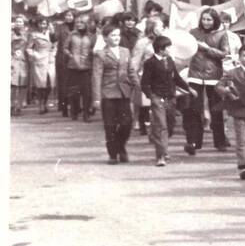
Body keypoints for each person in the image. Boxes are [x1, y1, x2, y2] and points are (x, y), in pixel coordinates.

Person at [140, 34, 192, 166]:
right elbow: (145, 83)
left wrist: (189, 89)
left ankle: (162, 145)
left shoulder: (169, 61)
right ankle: (161, 155)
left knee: (170, 124)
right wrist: (151, 96)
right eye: (169, 47)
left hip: (170, 97)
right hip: (157, 97)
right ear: (161, 49)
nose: (171, 49)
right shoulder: (150, 63)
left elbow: (177, 79)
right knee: (161, 126)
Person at [182, 8, 229, 155]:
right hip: (195, 73)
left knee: (216, 109)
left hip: (213, 75)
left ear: (215, 21)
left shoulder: (222, 35)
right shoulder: (193, 33)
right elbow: (186, 50)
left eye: (209, 20)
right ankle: (194, 142)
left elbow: (224, 54)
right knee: (194, 108)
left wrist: (208, 48)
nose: (206, 22)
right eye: (204, 19)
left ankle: (220, 141)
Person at [91, 23, 139, 164]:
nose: (116, 38)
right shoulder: (101, 54)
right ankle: (113, 154)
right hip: (108, 94)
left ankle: (121, 146)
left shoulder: (125, 51)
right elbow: (96, 76)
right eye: (113, 35)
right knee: (110, 125)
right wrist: (97, 98)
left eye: (118, 35)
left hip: (124, 93)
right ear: (105, 38)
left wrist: (137, 85)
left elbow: (131, 70)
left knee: (127, 123)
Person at [217, 45, 245, 179]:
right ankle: (243, 166)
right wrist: (227, 92)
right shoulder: (232, 73)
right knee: (242, 139)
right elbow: (219, 86)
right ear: (239, 57)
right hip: (239, 110)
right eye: (244, 55)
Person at [63, 15, 95, 121]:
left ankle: (86, 114)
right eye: (77, 22)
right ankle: (74, 112)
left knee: (87, 91)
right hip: (73, 66)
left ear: (86, 24)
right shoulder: (71, 35)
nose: (79, 24)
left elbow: (94, 48)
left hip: (86, 66)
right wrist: (70, 55)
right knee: (74, 91)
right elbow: (65, 48)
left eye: (82, 22)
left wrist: (92, 53)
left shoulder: (91, 36)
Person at [26, 16, 57, 114]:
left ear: (47, 25)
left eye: (44, 23)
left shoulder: (51, 33)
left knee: (50, 84)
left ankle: (45, 101)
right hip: (40, 60)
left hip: (50, 60)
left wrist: (54, 53)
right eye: (40, 23)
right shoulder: (33, 35)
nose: (42, 25)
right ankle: (41, 104)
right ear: (37, 24)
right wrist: (35, 55)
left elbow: (56, 45)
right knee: (40, 85)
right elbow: (28, 48)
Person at [54, 9, 76, 117]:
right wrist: (51, 32)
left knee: (74, 83)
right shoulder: (60, 27)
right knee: (63, 83)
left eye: (71, 15)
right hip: (63, 58)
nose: (69, 17)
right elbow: (54, 38)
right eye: (67, 15)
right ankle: (63, 106)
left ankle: (75, 106)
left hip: (75, 58)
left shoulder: (78, 26)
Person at [10, 14, 30, 116]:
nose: (18, 23)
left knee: (22, 84)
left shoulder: (27, 34)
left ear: (24, 23)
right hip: (12, 60)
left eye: (20, 22)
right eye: (17, 21)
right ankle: (11, 104)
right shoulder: (9, 33)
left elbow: (31, 45)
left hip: (24, 60)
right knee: (12, 84)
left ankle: (19, 106)